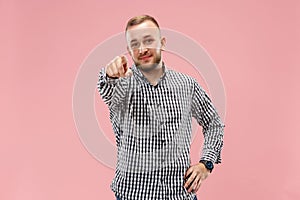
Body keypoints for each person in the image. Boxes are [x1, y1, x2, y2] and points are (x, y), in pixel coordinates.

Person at [97, 15, 225, 200]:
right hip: (132, 195)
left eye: (148, 40)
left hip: (180, 195)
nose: (142, 49)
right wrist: (110, 74)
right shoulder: (122, 85)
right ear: (129, 50)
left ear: (162, 43)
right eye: (134, 44)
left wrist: (206, 164)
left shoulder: (187, 85)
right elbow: (107, 88)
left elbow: (213, 123)